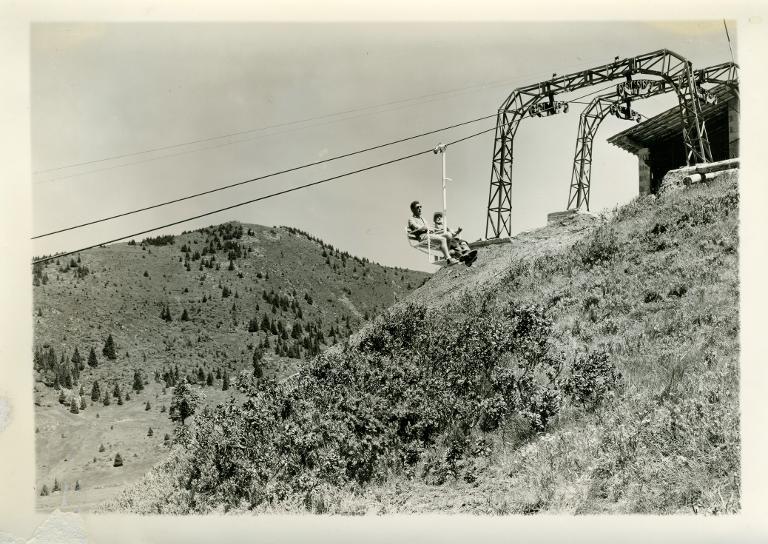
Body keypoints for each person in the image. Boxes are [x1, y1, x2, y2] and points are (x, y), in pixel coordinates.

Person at [407, 201, 459, 265]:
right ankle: (448, 259)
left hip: (430, 234)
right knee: (442, 239)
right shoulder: (411, 219)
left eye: (420, 207)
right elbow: (417, 227)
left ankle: (447, 255)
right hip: (423, 236)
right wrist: (425, 228)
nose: (420, 208)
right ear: (413, 209)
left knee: (448, 235)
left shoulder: (422, 218)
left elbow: (429, 227)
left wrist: (432, 229)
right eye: (417, 207)